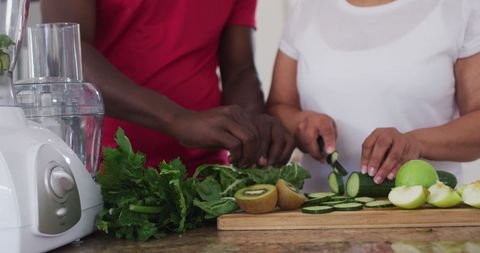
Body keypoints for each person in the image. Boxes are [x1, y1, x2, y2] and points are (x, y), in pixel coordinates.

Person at [41, 0, 294, 173]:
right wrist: (177, 119)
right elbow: (65, 53)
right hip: (110, 175)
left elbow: (239, 70)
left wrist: (252, 125)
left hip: (205, 178)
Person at [268, 0, 480, 192]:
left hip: (427, 213)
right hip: (320, 213)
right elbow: (279, 105)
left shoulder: (459, 7)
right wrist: (301, 123)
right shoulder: (306, 8)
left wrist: (416, 143)